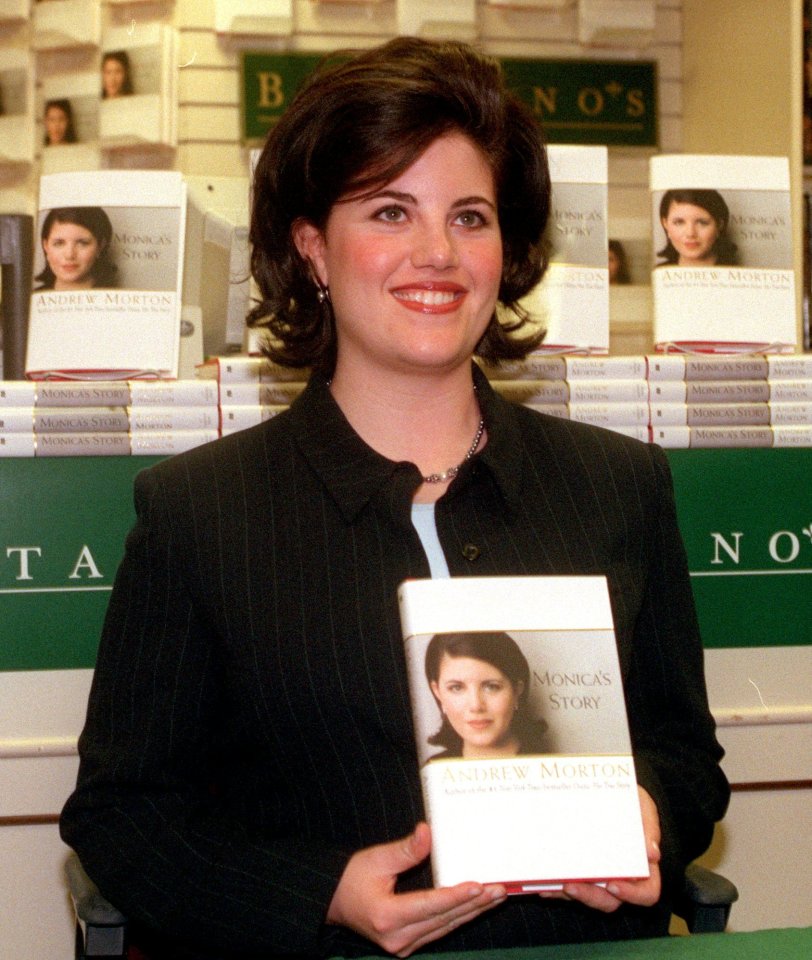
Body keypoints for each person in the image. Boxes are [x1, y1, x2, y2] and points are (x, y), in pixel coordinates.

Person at [61, 37, 729, 960]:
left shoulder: (620, 485)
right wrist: (322, 894)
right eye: (389, 211)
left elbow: (688, 756)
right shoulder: (201, 514)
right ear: (312, 250)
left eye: (469, 217)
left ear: (508, 251)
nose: (436, 254)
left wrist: (648, 808)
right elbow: (122, 814)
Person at [425, 631, 548, 760]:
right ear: (437, 693)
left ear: (517, 691)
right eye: (457, 688)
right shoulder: (432, 770)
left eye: (491, 687)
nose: (476, 705)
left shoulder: (553, 769)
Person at [35, 206, 117, 291]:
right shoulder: (29, 299)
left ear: (100, 247)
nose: (69, 255)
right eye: (59, 243)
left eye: (82, 243)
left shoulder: (117, 301)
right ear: (46, 247)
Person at [657, 189, 738, 266]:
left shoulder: (738, 275)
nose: (690, 233)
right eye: (679, 222)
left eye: (702, 223)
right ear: (665, 224)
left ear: (719, 225)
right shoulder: (656, 273)